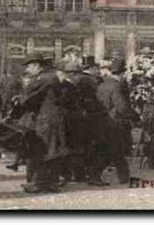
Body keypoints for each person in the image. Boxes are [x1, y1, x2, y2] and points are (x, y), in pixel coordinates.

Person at [17, 54, 70, 194]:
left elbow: (28, 94)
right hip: (53, 118)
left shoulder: (43, 78)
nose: (28, 70)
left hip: (46, 120)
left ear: (36, 65)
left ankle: (38, 184)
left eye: (29, 67)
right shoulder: (51, 76)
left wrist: (19, 101)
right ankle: (51, 183)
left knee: (42, 150)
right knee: (52, 151)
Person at [91, 58, 132, 185]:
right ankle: (124, 177)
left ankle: (96, 176)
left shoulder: (102, 85)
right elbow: (121, 106)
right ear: (121, 73)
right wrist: (132, 117)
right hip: (115, 123)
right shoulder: (116, 86)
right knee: (117, 150)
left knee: (107, 150)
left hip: (102, 122)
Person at [75, 56, 106, 185]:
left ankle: (80, 174)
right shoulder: (93, 81)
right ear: (91, 68)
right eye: (97, 68)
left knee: (81, 147)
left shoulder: (77, 79)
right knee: (96, 147)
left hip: (79, 118)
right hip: (93, 117)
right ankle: (94, 176)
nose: (98, 70)